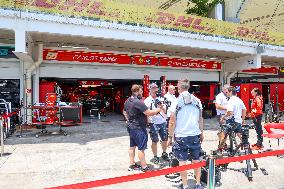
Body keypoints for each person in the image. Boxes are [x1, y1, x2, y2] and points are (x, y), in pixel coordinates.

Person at [167, 79, 204, 189]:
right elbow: (200, 119)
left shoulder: (176, 101)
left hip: (181, 136)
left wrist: (169, 136)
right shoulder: (197, 100)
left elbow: (172, 121)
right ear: (188, 87)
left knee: (182, 162)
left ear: (179, 88)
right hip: (194, 135)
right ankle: (198, 184)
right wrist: (201, 133)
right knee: (196, 160)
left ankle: (185, 185)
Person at [123, 84, 162, 172]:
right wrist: (158, 109)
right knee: (141, 148)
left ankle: (132, 164)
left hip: (131, 126)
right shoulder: (138, 102)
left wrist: (128, 120)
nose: (141, 92)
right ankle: (144, 167)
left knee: (132, 146)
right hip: (139, 128)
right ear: (137, 91)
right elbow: (149, 112)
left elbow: (124, 111)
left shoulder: (127, 100)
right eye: (141, 91)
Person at [144, 83, 168, 163]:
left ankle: (164, 153)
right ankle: (155, 156)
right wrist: (147, 122)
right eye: (153, 88)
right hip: (153, 123)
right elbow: (146, 113)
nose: (155, 89)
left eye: (156, 88)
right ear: (150, 89)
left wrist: (161, 107)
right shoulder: (147, 100)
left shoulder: (161, 99)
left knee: (164, 139)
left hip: (162, 122)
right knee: (155, 140)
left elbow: (165, 111)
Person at [215, 84, 230, 149]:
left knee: (225, 130)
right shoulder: (219, 96)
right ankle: (221, 145)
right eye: (228, 89)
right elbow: (217, 106)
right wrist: (227, 108)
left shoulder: (228, 96)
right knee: (224, 130)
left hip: (227, 115)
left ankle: (223, 144)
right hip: (221, 115)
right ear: (224, 89)